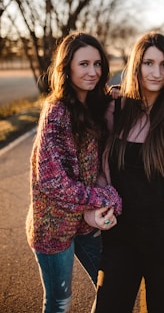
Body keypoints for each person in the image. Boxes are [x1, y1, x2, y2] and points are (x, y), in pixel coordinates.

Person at [85, 31, 164, 313]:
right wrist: (93, 213)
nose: (156, 72)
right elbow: (101, 171)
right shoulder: (116, 109)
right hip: (120, 238)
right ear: (137, 64)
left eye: (163, 65)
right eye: (149, 63)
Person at [26, 32, 122, 313]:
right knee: (59, 303)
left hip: (84, 222)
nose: (92, 72)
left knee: (113, 287)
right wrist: (106, 196)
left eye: (97, 64)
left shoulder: (94, 105)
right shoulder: (56, 112)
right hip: (52, 227)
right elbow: (54, 183)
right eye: (84, 64)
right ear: (67, 67)